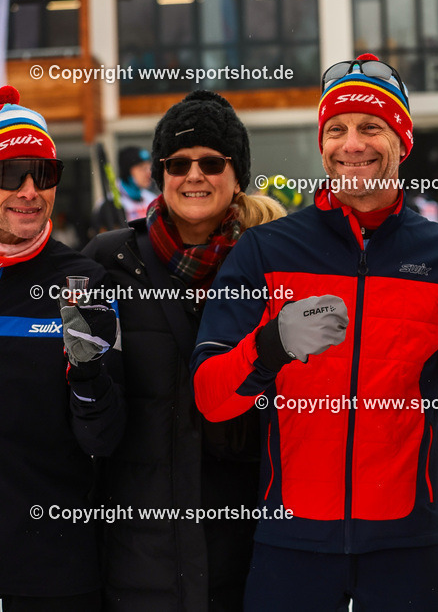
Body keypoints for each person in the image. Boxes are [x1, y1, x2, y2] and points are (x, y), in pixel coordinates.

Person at [191, 54, 438, 611]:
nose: (352, 144)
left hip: (407, 548)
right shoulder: (267, 252)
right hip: (290, 545)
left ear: (402, 142)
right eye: (336, 129)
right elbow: (210, 397)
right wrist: (270, 347)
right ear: (322, 146)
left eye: (371, 127)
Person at [83, 90, 286, 611]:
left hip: (245, 552)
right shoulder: (109, 261)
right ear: (161, 174)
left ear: (237, 175)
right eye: (177, 163)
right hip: (140, 558)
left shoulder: (271, 264)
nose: (194, 175)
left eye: (212, 162)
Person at [0, 85, 125, 611]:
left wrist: (88, 374)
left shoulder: (82, 282)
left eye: (44, 174)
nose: (30, 191)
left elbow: (105, 437)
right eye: (11, 173)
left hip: (50, 571)